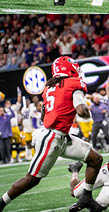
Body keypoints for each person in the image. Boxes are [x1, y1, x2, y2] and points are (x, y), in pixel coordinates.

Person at [0, 56, 103, 212]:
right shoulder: (74, 84)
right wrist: (85, 112)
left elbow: (43, 114)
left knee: (95, 159)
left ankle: (86, 196)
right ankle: (1, 202)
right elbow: (81, 109)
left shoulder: (50, 87)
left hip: (61, 136)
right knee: (32, 179)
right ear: (69, 69)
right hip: (52, 138)